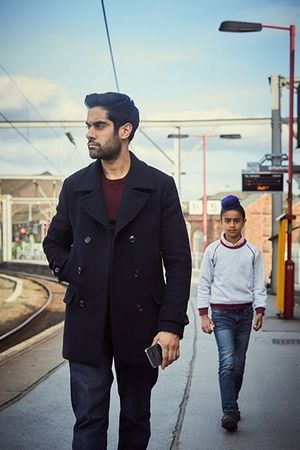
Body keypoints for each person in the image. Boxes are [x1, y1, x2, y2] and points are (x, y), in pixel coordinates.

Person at [43, 92, 191, 450]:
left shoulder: (159, 186)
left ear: (125, 130)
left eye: (99, 125)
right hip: (86, 319)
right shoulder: (75, 186)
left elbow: (178, 261)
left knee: (136, 419)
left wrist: (170, 326)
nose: (89, 134)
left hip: (140, 324)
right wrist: (76, 270)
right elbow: (54, 243)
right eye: (88, 126)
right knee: (89, 420)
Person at [197, 194, 267, 432]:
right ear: (222, 222)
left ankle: (232, 403)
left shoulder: (253, 253)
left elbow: (259, 284)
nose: (232, 225)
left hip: (245, 314)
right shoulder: (212, 251)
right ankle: (229, 411)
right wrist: (204, 315)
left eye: (236, 220)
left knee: (238, 364)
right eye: (228, 220)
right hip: (221, 314)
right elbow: (204, 283)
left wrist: (259, 310)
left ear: (243, 221)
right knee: (227, 361)